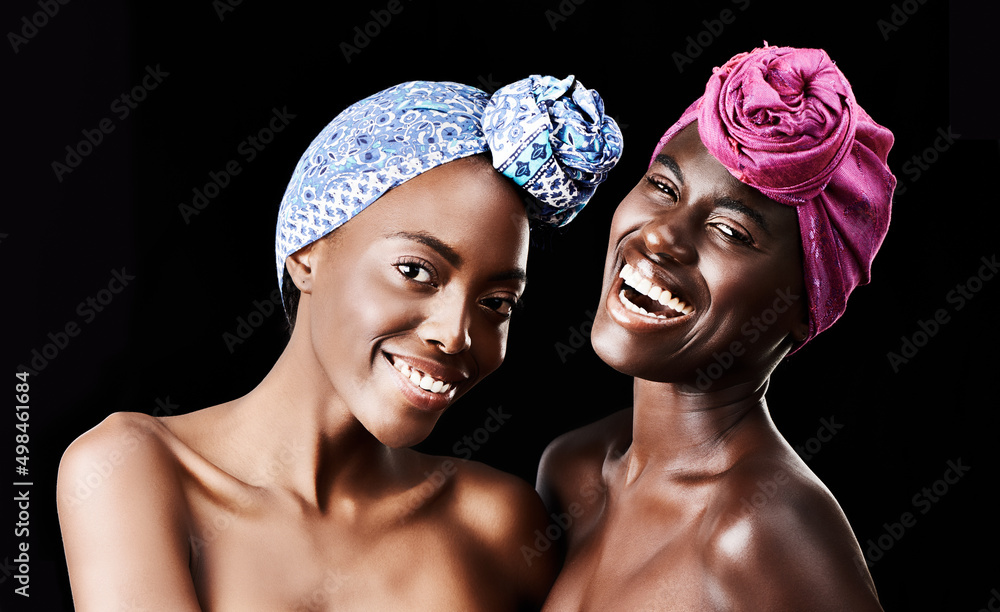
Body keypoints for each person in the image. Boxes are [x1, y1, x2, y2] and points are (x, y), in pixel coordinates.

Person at [57, 75, 622, 611]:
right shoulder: (132, 468)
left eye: (497, 303)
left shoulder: (497, 524)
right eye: (416, 270)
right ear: (307, 254)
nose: (455, 334)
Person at [536, 45, 895, 611]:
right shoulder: (573, 469)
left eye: (730, 231)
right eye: (663, 188)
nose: (660, 236)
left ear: (805, 308)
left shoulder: (763, 530)